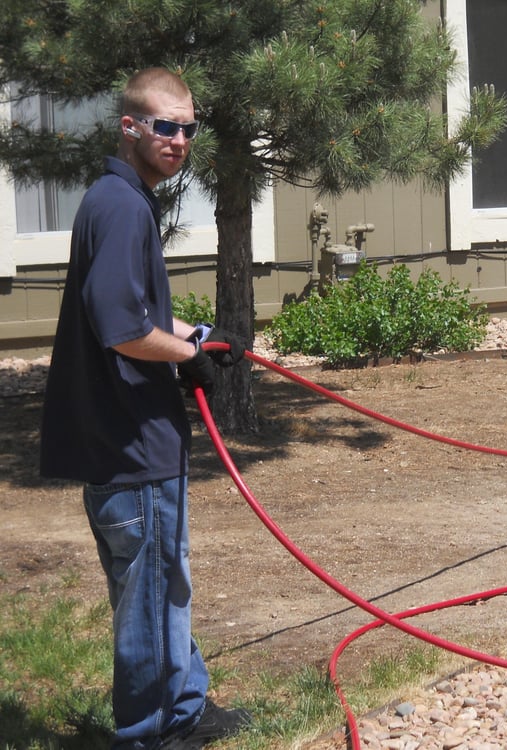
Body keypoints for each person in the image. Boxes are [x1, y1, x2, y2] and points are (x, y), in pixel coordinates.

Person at [39, 67, 252, 750]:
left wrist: (195, 338)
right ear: (128, 127)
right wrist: (184, 357)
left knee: (162, 588)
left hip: (127, 439)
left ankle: (184, 704)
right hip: (133, 445)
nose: (180, 139)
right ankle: (151, 732)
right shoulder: (125, 206)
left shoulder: (113, 198)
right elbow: (120, 329)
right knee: (152, 599)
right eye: (165, 125)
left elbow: (131, 315)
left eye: (189, 127)